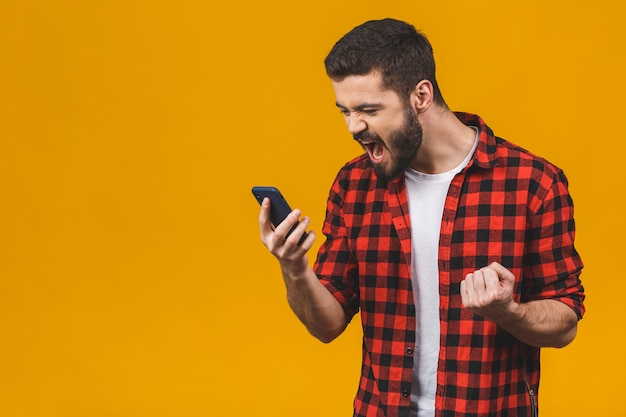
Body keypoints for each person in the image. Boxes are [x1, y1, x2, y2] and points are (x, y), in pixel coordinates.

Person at [257, 18, 585, 417]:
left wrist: (508, 311)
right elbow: (326, 325)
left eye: (369, 110)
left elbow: (565, 322)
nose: (353, 127)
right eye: (344, 111)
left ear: (421, 95)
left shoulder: (533, 183)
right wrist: (293, 268)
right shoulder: (354, 184)